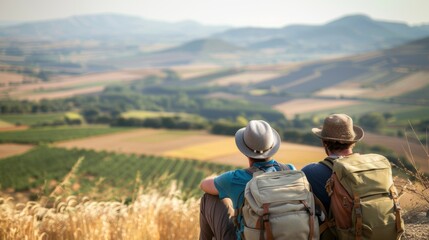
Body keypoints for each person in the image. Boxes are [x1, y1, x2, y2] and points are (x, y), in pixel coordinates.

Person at [199, 120, 296, 240]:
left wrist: (219, 180)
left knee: (208, 198)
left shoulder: (237, 178)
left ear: (245, 152)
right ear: (272, 147)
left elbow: (204, 185)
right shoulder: (290, 170)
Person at [301, 113, 364, 212]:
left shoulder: (310, 172)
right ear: (353, 142)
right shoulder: (370, 166)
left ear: (325, 142)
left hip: (338, 227)